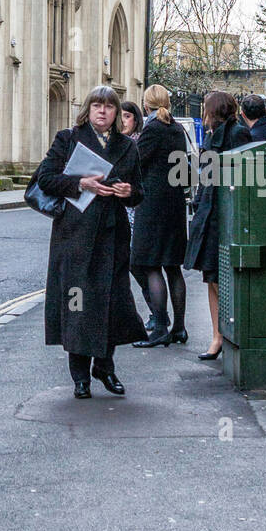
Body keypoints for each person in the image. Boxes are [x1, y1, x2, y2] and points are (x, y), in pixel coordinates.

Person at [37, 84, 147, 399]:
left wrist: (129, 193)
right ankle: (80, 376)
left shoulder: (128, 146)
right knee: (78, 305)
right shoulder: (68, 140)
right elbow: (45, 178)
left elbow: (139, 191)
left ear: (116, 113)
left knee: (110, 303)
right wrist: (79, 183)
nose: (102, 111)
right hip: (74, 237)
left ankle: (105, 367)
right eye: (97, 105)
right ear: (88, 109)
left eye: (109, 106)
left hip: (111, 237)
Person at [184, 90, 250, 360]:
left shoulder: (237, 134)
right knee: (211, 277)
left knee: (224, 278)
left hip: (226, 216)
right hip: (209, 214)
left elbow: (243, 178)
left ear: (213, 110)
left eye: (205, 109)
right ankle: (217, 336)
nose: (203, 113)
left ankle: (227, 334)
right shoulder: (212, 136)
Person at [129, 84, 190, 348]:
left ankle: (160, 328)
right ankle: (179, 328)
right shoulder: (177, 129)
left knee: (151, 265)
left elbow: (135, 163)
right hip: (175, 205)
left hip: (152, 205)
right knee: (173, 268)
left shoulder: (152, 129)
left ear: (146, 105)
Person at [120, 101, 154, 326]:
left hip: (135, 209)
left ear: (136, 119)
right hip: (117, 210)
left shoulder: (137, 143)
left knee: (135, 263)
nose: (123, 121)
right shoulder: (117, 143)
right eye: (120, 116)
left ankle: (156, 312)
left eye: (127, 116)